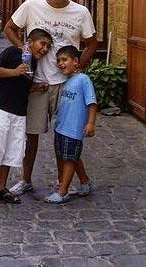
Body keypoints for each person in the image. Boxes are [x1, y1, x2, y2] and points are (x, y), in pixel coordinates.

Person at [4, 0, 97, 196]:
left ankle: (61, 182)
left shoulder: (80, 12)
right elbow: (10, 28)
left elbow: (92, 43)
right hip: (36, 82)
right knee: (31, 135)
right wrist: (23, 49)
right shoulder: (31, 6)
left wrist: (78, 67)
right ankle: (25, 179)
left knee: (65, 135)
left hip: (65, 85)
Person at [0, 28, 54, 208]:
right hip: (0, 108)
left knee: (11, 150)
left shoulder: (33, 63)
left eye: (48, 47)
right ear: (31, 42)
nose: (45, 49)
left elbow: (21, 86)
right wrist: (15, 72)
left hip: (19, 112)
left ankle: (1, 188)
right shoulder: (13, 52)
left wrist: (36, 87)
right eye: (43, 44)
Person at [45, 45, 97, 204]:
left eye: (64, 60)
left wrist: (90, 123)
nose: (61, 63)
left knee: (69, 159)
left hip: (73, 129)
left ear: (75, 61)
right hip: (61, 127)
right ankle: (85, 181)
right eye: (58, 61)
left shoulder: (83, 80)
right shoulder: (66, 81)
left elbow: (92, 103)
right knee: (71, 157)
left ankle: (63, 191)